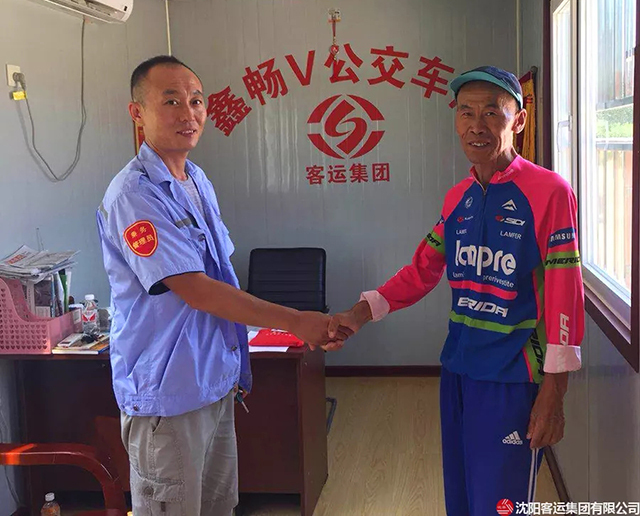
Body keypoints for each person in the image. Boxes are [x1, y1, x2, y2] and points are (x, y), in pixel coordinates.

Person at [326, 66, 585, 514]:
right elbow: (422, 270)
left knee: (500, 504)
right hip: (458, 370)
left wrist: (554, 392)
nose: (476, 125)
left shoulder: (550, 192)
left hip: (513, 378)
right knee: (462, 497)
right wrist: (359, 314)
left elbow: (566, 292)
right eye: (466, 112)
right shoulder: (458, 198)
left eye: (492, 112)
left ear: (519, 121)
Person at [97, 55, 347, 516]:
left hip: (213, 379)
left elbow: (219, 273)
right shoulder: (134, 194)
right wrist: (295, 321)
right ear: (137, 113)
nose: (188, 113)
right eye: (171, 101)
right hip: (168, 393)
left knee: (218, 505)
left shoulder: (196, 179)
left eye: (196, 101)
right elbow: (197, 289)